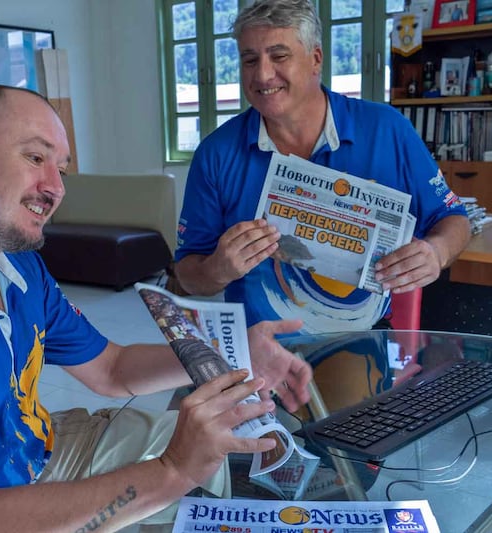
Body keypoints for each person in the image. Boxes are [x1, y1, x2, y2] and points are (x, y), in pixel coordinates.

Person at [0, 84, 313, 531]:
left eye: (61, 168)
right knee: (192, 493)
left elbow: (109, 369)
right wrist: (172, 472)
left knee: (243, 463)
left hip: (25, 453)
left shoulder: (14, 264)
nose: (56, 187)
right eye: (35, 157)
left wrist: (230, 353)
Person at [174, 0, 471, 335]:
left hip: (364, 344)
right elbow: (187, 273)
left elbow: (453, 218)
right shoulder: (215, 154)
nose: (262, 74)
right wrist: (218, 269)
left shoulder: (387, 129)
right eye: (249, 60)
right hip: (262, 354)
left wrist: (437, 251)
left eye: (279, 55)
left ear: (316, 59)